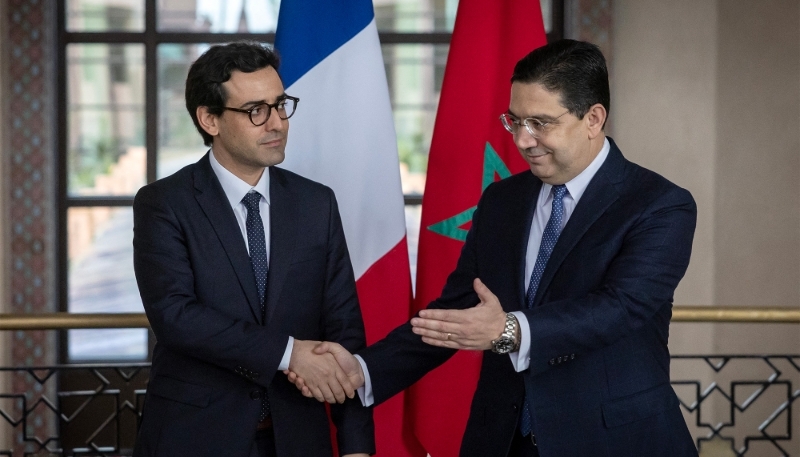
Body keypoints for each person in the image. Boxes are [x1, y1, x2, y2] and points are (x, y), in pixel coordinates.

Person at [290, 39, 699, 457]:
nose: (523, 140)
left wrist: (509, 330)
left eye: (540, 123)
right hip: (502, 440)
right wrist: (362, 370)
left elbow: (620, 308)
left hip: (614, 440)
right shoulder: (502, 201)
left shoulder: (659, 205)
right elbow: (457, 313)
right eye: (515, 121)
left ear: (593, 118)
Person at [132, 41, 373, 457]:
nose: (277, 123)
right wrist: (289, 354)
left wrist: (356, 446)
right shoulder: (164, 203)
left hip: (298, 436)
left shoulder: (316, 203)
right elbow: (176, 316)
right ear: (210, 119)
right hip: (196, 436)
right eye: (256, 111)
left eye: (281, 105)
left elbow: (344, 329)